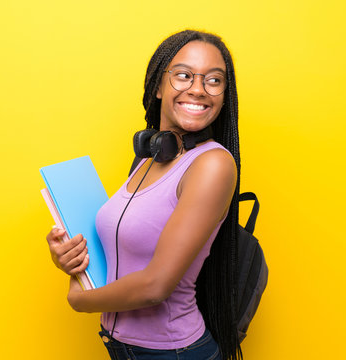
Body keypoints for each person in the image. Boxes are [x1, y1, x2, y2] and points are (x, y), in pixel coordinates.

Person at [46, 29, 242, 360]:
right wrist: (71, 260)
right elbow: (126, 251)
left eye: (214, 80)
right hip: (124, 348)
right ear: (157, 87)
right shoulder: (149, 157)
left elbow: (155, 287)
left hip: (173, 353)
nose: (198, 89)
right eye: (183, 75)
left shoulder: (213, 165)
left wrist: (79, 299)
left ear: (224, 95)